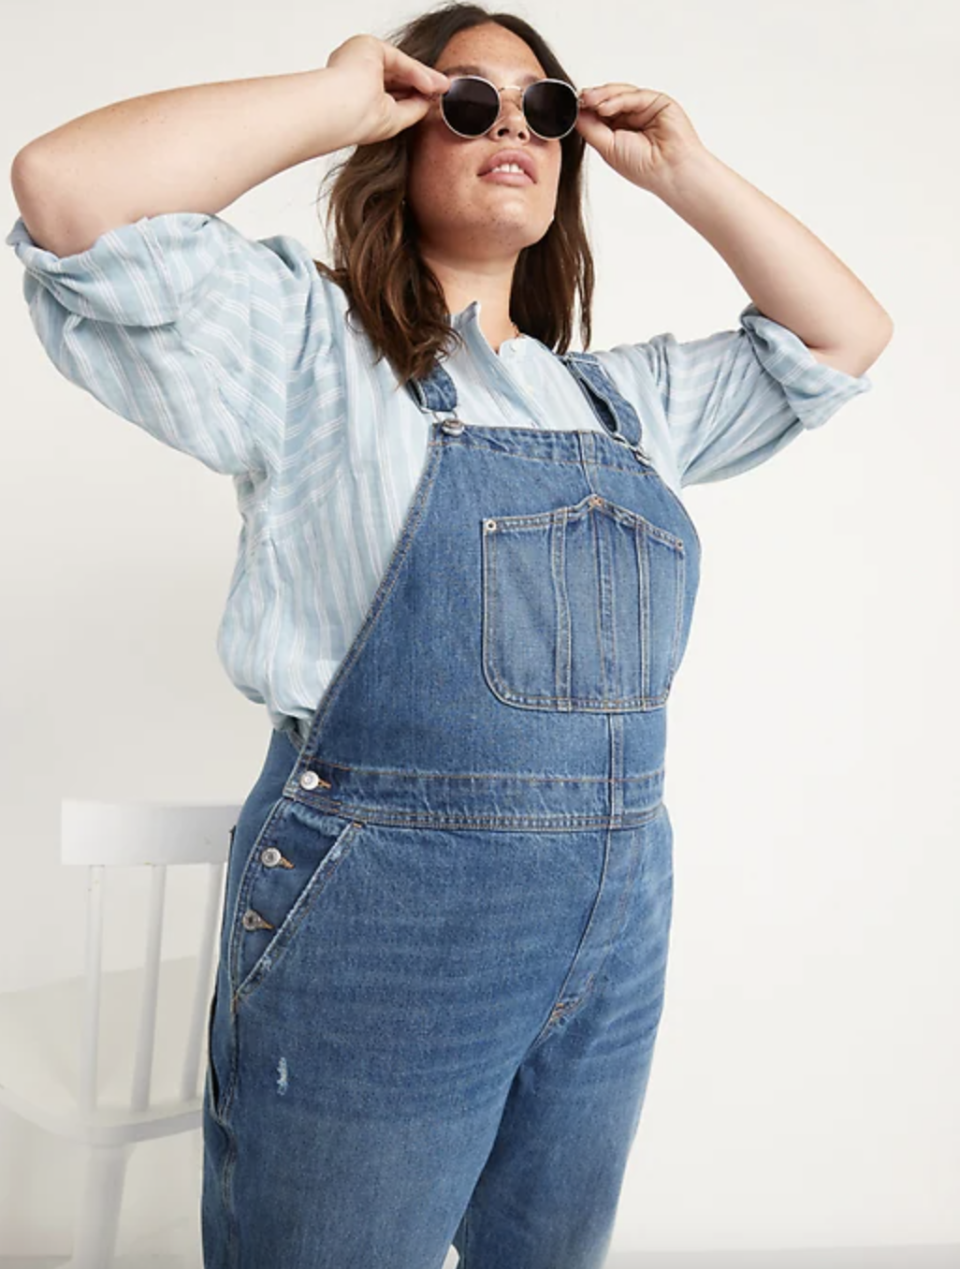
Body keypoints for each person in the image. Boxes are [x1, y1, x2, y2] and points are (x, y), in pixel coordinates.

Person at [7, 4, 892, 1266]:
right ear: (405, 133)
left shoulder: (619, 399)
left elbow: (842, 338)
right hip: (385, 921)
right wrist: (331, 97)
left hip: (617, 911)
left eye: (543, 107)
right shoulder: (310, 346)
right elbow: (65, 191)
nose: (512, 125)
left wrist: (683, 169)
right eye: (467, 103)